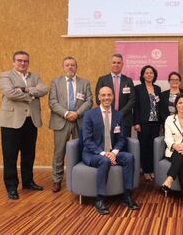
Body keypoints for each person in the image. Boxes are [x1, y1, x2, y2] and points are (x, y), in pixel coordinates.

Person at [0, 50, 48, 200]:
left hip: (30, 121)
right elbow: (10, 93)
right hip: (11, 122)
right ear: (14, 62)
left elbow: (44, 89)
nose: (22, 63)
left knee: (28, 154)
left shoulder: (35, 76)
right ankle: (12, 187)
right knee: (10, 156)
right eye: (19, 60)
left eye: (25, 61)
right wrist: (32, 94)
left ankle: (28, 182)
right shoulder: (6, 76)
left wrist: (25, 89)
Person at [82, 86, 139, 215]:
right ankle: (100, 199)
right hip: (93, 154)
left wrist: (114, 152)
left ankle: (127, 195)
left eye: (109, 95)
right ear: (99, 97)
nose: (106, 98)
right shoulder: (89, 115)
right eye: (103, 95)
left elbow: (122, 138)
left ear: (113, 97)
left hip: (112, 152)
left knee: (129, 157)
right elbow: (87, 140)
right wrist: (104, 154)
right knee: (104, 161)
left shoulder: (118, 115)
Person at [49, 56, 92, 192]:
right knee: (59, 152)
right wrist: (67, 113)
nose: (70, 67)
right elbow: (52, 102)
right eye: (67, 65)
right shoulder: (55, 82)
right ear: (63, 67)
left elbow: (89, 101)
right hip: (62, 121)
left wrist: (77, 113)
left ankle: (78, 178)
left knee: (80, 150)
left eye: (72, 65)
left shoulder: (84, 83)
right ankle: (57, 180)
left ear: (76, 67)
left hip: (79, 121)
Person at [95, 53, 135, 137]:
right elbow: (98, 99)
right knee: (108, 144)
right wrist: (111, 112)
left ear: (122, 65)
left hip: (125, 118)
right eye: (114, 62)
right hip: (107, 117)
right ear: (110, 64)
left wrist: (120, 113)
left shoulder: (128, 81)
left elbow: (132, 100)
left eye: (118, 63)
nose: (116, 65)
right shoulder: (102, 80)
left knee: (124, 144)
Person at [134, 65, 161, 181]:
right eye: (147, 73)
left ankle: (153, 169)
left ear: (154, 75)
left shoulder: (158, 88)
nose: (149, 75)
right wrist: (136, 122)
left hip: (155, 122)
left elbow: (159, 105)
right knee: (144, 147)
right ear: (143, 75)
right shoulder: (138, 88)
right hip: (143, 122)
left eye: (151, 73)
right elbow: (136, 107)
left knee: (153, 147)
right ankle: (146, 170)